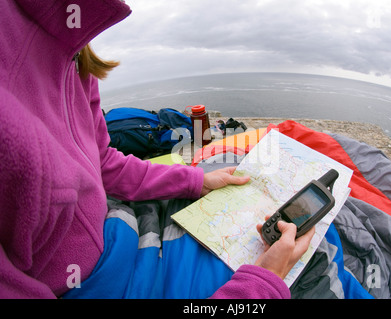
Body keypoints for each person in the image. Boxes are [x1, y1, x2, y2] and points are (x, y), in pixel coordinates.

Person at [0, 0, 314, 299]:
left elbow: (104, 164)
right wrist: (261, 286)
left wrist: (195, 181)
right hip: (105, 282)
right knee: (314, 259)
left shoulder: (72, 45)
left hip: (121, 231)